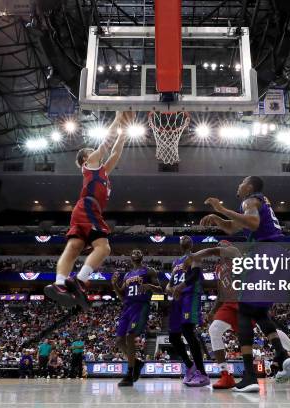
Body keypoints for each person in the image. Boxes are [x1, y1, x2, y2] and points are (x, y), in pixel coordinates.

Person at [187, 240, 290, 389]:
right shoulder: (218, 268)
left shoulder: (235, 254)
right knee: (214, 330)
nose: (221, 248)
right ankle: (226, 375)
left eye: (222, 245)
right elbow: (221, 292)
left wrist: (197, 254)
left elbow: (220, 251)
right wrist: (213, 311)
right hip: (229, 304)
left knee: (272, 332)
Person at [44, 111, 134, 310]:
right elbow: (106, 145)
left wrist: (124, 132)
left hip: (83, 209)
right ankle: (80, 280)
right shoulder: (90, 163)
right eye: (91, 150)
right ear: (86, 157)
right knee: (104, 247)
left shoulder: (102, 171)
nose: (95, 151)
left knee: (74, 247)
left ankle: (59, 284)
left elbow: (116, 153)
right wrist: (118, 119)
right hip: (88, 207)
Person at [111, 249, 162, 386]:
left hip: (141, 306)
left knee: (130, 335)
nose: (136, 252)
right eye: (133, 251)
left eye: (139, 251)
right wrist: (114, 285)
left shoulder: (149, 270)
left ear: (142, 256)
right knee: (119, 340)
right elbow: (122, 297)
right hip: (127, 307)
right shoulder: (127, 275)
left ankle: (130, 373)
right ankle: (137, 362)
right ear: (130, 257)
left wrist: (149, 286)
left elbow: (160, 289)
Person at [166, 236, 210, 387]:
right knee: (173, 336)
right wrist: (169, 287)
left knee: (188, 331)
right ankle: (190, 366)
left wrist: (181, 286)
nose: (184, 238)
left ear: (191, 243)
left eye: (187, 237)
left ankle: (202, 374)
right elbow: (170, 282)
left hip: (190, 295)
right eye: (182, 237)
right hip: (177, 298)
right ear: (179, 245)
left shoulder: (195, 256)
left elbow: (195, 275)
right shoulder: (175, 262)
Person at [200, 176, 283, 242]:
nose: (239, 185)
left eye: (243, 182)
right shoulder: (258, 200)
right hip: (278, 244)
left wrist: (221, 209)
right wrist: (216, 219)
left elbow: (253, 223)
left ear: (249, 188)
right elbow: (231, 227)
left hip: (270, 245)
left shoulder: (250, 201)